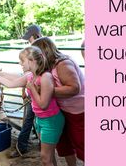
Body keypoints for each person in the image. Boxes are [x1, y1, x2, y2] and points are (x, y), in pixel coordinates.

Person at [0, 46, 64, 166]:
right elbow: (10, 83)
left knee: (45, 158)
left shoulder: (46, 77)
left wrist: (32, 89)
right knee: (49, 156)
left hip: (50, 120)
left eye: (22, 60)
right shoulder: (30, 76)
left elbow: (43, 105)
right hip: (40, 120)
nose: (19, 63)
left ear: (32, 61)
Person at [32, 37, 84, 166]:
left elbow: (74, 88)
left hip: (78, 111)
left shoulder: (63, 64)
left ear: (42, 53)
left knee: (82, 144)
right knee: (64, 144)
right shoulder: (48, 66)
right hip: (62, 110)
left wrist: (46, 90)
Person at [0, 24, 43, 158]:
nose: (28, 40)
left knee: (30, 119)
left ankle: (22, 147)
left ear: (34, 35)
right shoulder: (35, 48)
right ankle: (37, 144)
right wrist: (25, 90)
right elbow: (28, 74)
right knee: (33, 119)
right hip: (32, 88)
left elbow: (31, 72)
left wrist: (27, 89)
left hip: (37, 89)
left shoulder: (37, 49)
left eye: (29, 37)